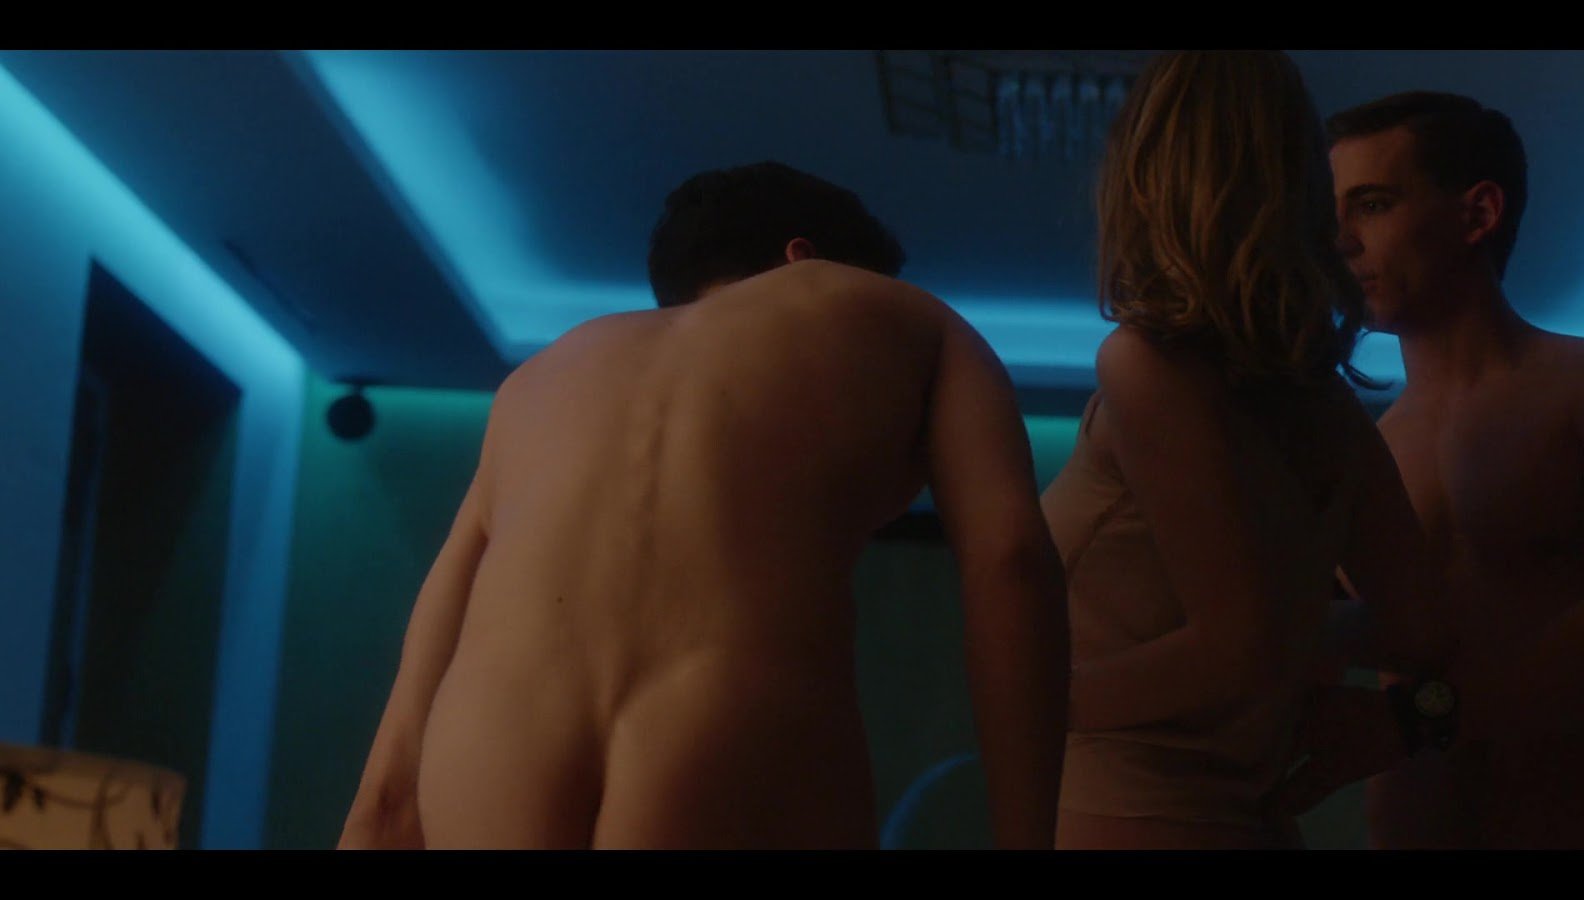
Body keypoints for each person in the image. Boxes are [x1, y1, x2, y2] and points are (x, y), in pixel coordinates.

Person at [335, 161, 1071, 849]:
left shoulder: (541, 375)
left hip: (487, 746)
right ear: (805, 258)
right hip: (731, 730)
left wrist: (378, 817)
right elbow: (1009, 563)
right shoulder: (909, 318)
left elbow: (421, 681)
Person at [1039, 51, 1452, 849]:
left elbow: (1236, 644)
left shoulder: (1147, 366)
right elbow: (1419, 628)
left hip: (1129, 813)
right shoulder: (1327, 405)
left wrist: (1045, 696)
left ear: (1147, 176)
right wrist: (1297, 638)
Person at [1269, 91, 1584, 849]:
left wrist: (1417, 719)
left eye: (1373, 204)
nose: (1340, 242)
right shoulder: (1358, 450)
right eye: (1330, 214)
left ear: (1478, 213)